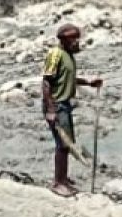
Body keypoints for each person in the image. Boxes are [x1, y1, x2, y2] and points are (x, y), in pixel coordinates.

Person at [42, 24, 103, 197]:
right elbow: (47, 82)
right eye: (73, 39)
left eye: (77, 38)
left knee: (68, 144)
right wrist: (50, 110)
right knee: (62, 145)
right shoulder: (55, 54)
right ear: (64, 40)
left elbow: (68, 77)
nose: (77, 42)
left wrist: (88, 83)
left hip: (65, 105)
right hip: (57, 105)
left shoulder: (68, 56)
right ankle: (58, 183)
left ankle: (64, 178)